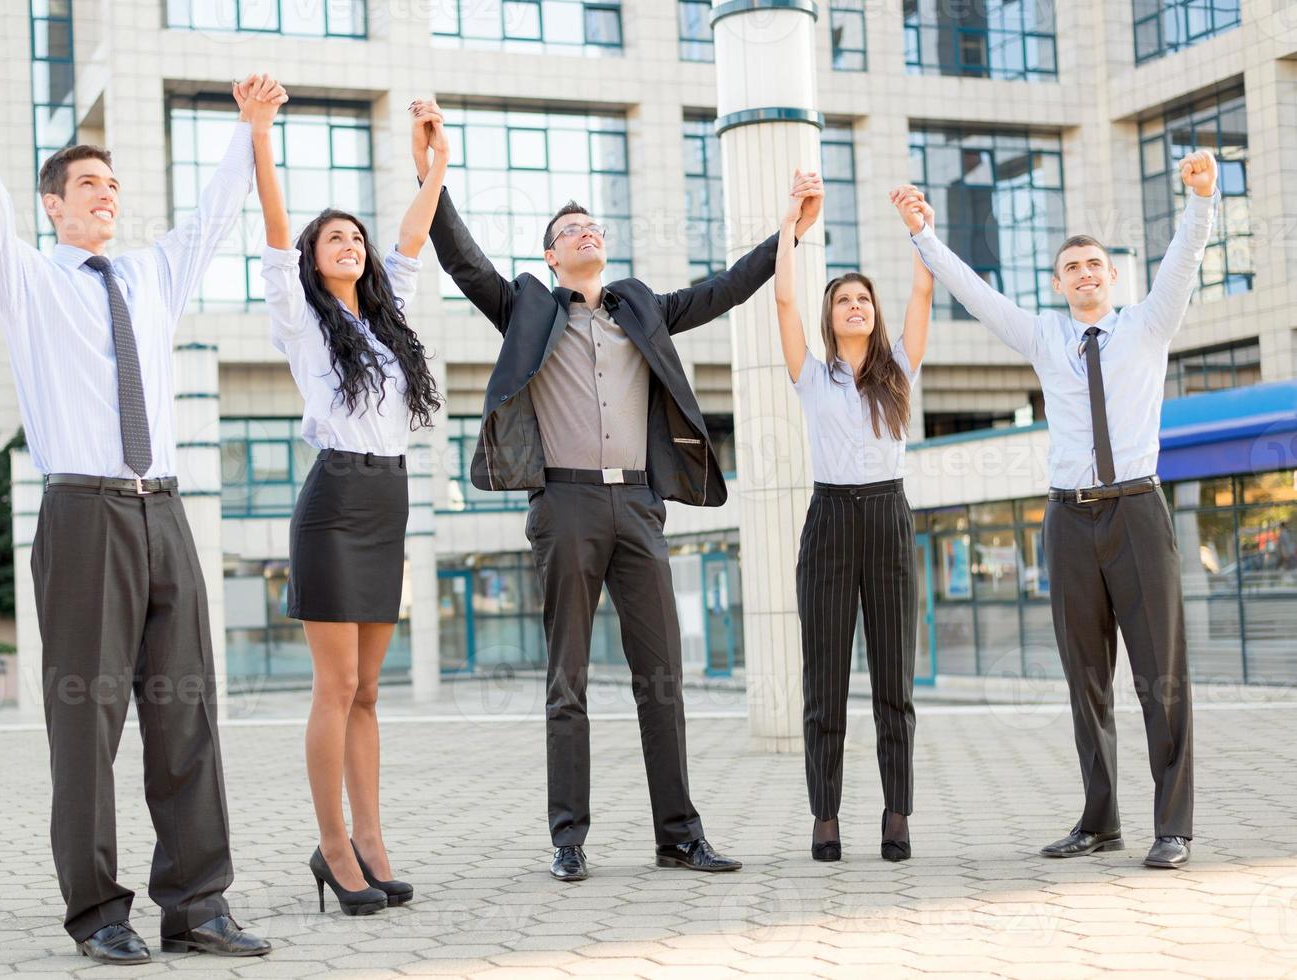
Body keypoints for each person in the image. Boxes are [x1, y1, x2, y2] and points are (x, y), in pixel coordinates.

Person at [0, 6, 273, 962]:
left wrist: (250, 133)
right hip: (83, 515)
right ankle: (99, 914)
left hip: (164, 512)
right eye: (89, 184)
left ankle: (199, 906)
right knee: (86, 726)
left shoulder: (154, 276)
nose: (106, 196)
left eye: (114, 185)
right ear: (54, 203)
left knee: (189, 717)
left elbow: (213, 217)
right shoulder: (28, 279)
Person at [413, 98, 821, 881]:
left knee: (659, 678)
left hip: (638, 506)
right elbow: (462, 259)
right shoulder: (527, 306)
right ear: (550, 254)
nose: (585, 233)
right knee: (568, 679)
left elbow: (730, 285)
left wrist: (792, 228)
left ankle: (679, 835)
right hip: (563, 505)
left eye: (592, 226)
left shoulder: (643, 307)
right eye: (569, 231)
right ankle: (569, 839)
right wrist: (433, 169)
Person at [898, 150, 1220, 869]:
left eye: (1095, 265)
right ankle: (1100, 819)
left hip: (1136, 511)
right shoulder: (1044, 336)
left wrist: (1201, 198)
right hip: (1068, 521)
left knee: (1160, 676)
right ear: (1058, 283)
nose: (1085, 274)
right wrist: (923, 235)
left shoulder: (1148, 324)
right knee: (1086, 680)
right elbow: (977, 294)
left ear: (1111, 277)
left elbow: (1184, 257)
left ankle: (1174, 827)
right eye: (1072, 267)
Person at [246, 90, 447, 915]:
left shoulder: (388, 318)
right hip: (333, 502)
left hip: (388, 497)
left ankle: (372, 841)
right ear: (311, 256)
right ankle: (332, 848)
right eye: (335, 238)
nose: (352, 245)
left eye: (355, 237)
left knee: (370, 689)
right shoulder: (299, 318)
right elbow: (271, 219)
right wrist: (260, 136)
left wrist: (433, 165)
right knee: (335, 688)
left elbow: (411, 234)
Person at [773, 173, 933, 863]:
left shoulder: (898, 373)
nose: (857, 306)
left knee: (894, 685)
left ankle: (897, 817)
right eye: (844, 299)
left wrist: (915, 225)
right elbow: (781, 295)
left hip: (889, 519)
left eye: (864, 298)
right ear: (830, 316)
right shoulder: (813, 375)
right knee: (825, 684)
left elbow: (924, 291)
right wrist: (792, 221)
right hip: (831, 521)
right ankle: (825, 817)